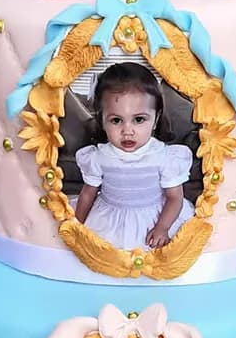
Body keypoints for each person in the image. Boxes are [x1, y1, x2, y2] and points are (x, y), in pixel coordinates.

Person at [73, 63, 195, 250]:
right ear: (102, 120)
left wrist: (162, 228)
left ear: (155, 119)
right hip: (110, 220)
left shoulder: (164, 157)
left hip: (155, 216)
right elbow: (88, 194)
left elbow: (174, 197)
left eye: (139, 120)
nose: (127, 131)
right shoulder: (98, 156)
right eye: (116, 120)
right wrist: (77, 225)